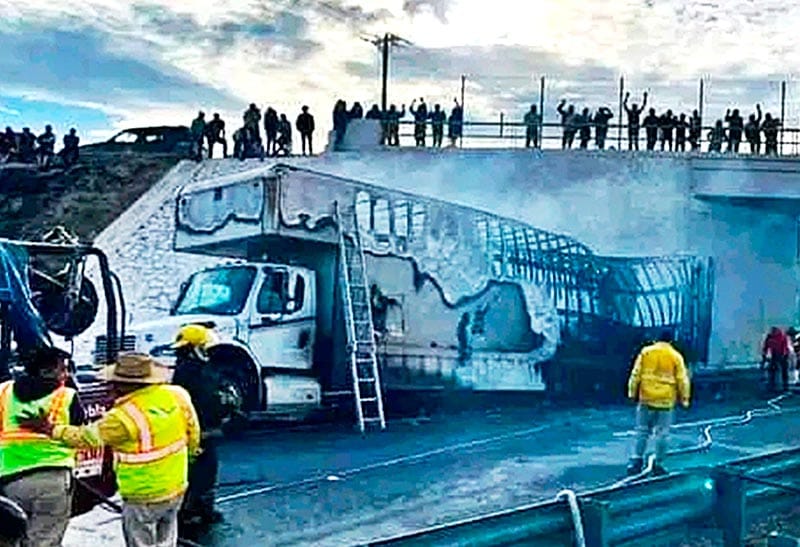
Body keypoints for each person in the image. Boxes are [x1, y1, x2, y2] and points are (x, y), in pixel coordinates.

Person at [20, 353, 201, 547]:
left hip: (143, 494)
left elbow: (85, 438)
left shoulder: (124, 417)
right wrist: (188, 459)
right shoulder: (177, 394)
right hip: (176, 485)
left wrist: (50, 429)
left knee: (141, 541)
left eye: (115, 383)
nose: (111, 387)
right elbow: (193, 432)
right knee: (167, 538)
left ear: (127, 384)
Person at [0, 346, 85, 547]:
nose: (66, 374)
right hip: (53, 481)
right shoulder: (67, 396)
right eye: (62, 369)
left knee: (10, 538)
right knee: (45, 540)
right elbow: (81, 435)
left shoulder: (3, 391)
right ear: (46, 371)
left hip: (11, 479)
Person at [170, 325, 225, 532]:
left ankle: (196, 509)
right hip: (199, 431)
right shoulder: (194, 373)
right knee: (203, 470)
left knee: (198, 470)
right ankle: (194, 511)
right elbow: (207, 400)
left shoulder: (183, 369)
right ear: (194, 349)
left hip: (194, 430)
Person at [626, 331, 690, 476]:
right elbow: (682, 379)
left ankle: (636, 461)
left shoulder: (646, 352)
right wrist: (685, 399)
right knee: (662, 434)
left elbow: (636, 373)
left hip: (646, 398)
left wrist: (631, 392)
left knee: (642, 431)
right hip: (665, 401)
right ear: (671, 340)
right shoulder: (675, 356)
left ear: (656, 339)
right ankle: (658, 463)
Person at [762, 326, 791, 392]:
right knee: (772, 369)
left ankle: (785, 385)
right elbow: (765, 347)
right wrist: (764, 355)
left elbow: (784, 346)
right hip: (774, 354)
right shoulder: (769, 337)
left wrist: (784, 355)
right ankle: (772, 384)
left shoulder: (782, 336)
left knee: (784, 370)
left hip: (782, 354)